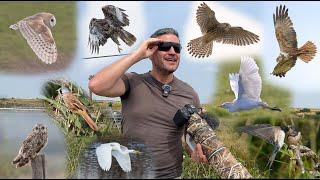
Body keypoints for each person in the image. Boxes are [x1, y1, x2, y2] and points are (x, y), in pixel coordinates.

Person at [89, 28, 208, 178]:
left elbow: (190, 138)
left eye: (177, 48)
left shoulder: (189, 94)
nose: (172, 52)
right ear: (151, 52)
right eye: (165, 46)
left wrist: (195, 153)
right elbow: (96, 85)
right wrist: (137, 55)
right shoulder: (132, 82)